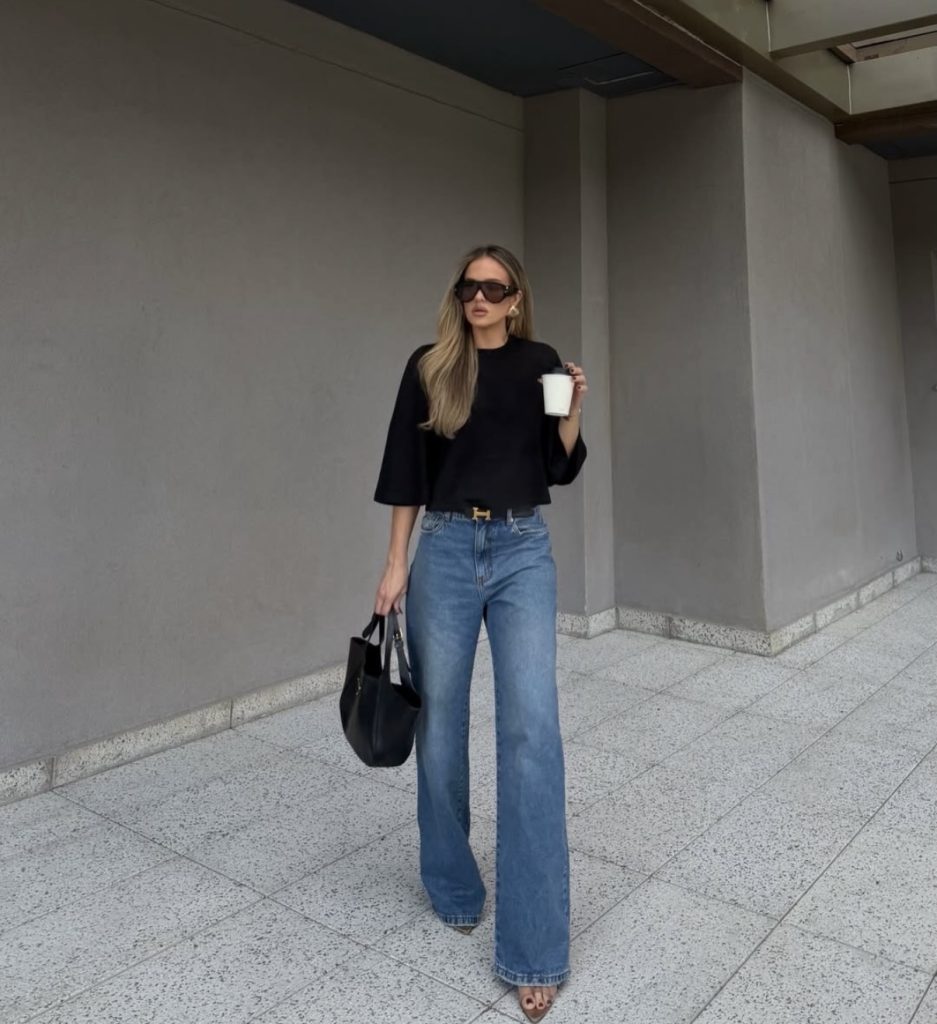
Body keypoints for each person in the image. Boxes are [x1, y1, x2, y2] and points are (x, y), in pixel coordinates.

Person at [372, 244, 588, 1022]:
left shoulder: (539, 362)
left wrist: (570, 413)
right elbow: (406, 470)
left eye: (495, 288)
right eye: (469, 286)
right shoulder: (430, 364)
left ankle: (534, 950)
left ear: (516, 298)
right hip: (444, 548)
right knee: (439, 728)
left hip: (522, 549)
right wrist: (394, 565)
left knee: (531, 731)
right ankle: (453, 881)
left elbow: (557, 468)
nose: (480, 298)